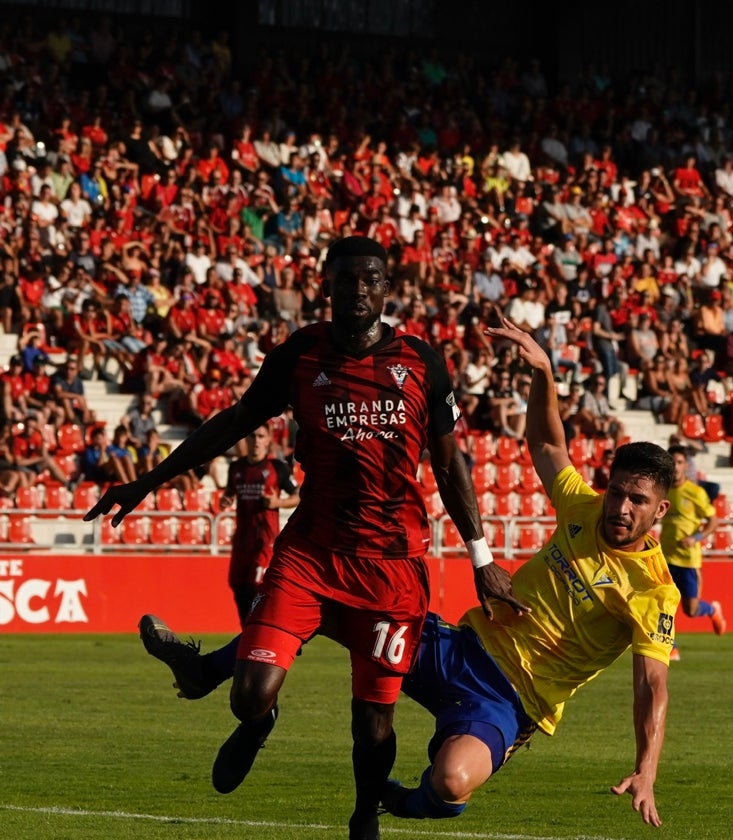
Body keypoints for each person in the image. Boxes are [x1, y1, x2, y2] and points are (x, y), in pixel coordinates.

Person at [138, 314, 681, 827]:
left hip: (513, 702)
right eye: (617, 493)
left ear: (660, 510)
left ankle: (393, 802)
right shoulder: (583, 508)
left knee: (450, 780)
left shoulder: (654, 591)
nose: (621, 508)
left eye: (637, 500)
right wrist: (543, 373)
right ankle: (209, 673)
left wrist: (648, 768)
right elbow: (545, 444)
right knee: (333, 602)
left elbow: (652, 685)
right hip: (458, 648)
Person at [86, 235, 524, 840]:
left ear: (387, 287)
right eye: (347, 279)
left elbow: (450, 464)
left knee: (372, 725)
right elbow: (235, 422)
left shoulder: (423, 361)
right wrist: (147, 482)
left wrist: (482, 557)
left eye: (371, 278)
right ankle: (257, 720)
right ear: (327, 285)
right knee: (250, 696)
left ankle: (364, 814)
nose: (359, 289)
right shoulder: (300, 355)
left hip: (392, 569)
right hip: (310, 554)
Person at [220, 424, 299, 624]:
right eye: (252, 436)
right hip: (242, 539)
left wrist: (278, 503)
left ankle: (275, 627)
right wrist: (226, 498)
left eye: (261, 436)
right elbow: (230, 492)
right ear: (247, 440)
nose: (256, 441)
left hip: (265, 539)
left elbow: (298, 495)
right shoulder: (236, 468)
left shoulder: (277, 468)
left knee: (255, 586)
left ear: (268, 440)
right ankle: (248, 633)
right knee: (237, 584)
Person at [660, 444, 725, 660]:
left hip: (688, 560)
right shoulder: (662, 489)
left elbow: (714, 521)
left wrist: (695, 538)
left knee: (691, 609)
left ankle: (712, 610)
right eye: (673, 462)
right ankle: (671, 647)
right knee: (662, 602)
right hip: (664, 557)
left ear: (686, 466)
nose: (676, 467)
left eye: (679, 463)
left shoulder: (695, 492)